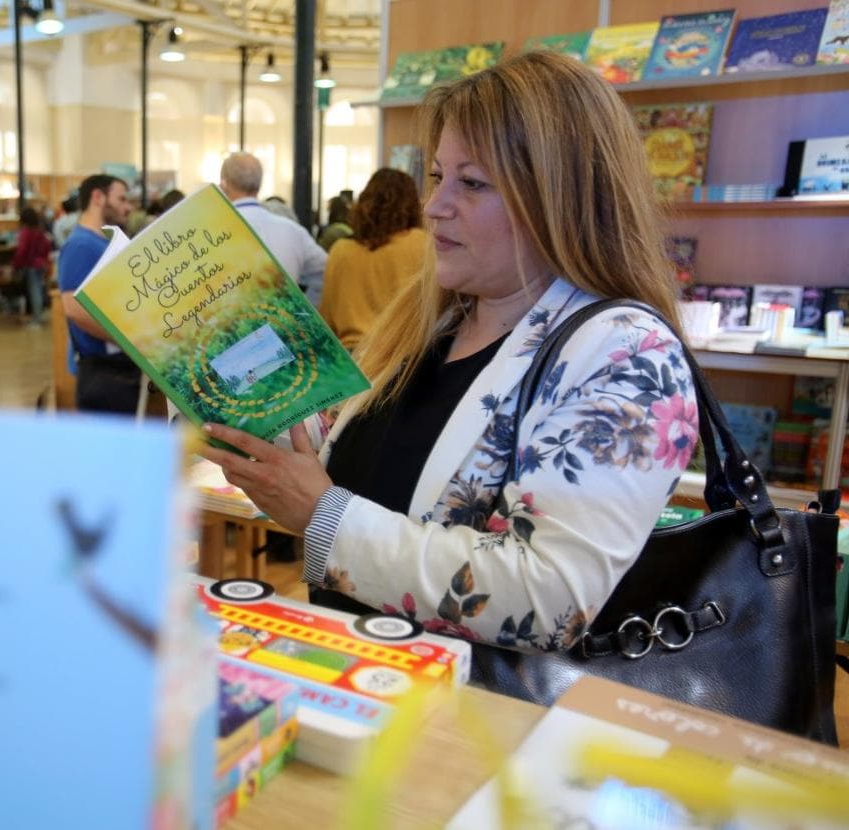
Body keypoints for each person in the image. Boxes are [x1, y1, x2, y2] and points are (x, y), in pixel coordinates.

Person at [197, 52, 699, 669]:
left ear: (559, 198)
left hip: (478, 731)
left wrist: (325, 518)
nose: (434, 205)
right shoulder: (434, 320)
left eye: (472, 183)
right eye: (437, 176)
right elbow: (329, 453)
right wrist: (204, 380)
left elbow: (548, 596)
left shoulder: (627, 355)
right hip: (355, 679)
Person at [59, 174, 142, 414]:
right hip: (104, 371)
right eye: (122, 199)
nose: (127, 207)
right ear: (97, 197)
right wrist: (131, 343)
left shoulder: (101, 242)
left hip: (117, 368)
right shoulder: (81, 245)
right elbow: (74, 309)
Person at [319, 169, 427, 351]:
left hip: (352, 361)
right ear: (412, 205)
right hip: (401, 357)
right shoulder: (421, 244)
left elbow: (326, 319)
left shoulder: (340, 249)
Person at [219, 153, 326, 307]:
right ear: (259, 184)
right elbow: (329, 274)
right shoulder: (293, 231)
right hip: (283, 326)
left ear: (224, 184)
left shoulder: (209, 234)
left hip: (226, 328)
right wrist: (303, 313)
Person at [10, 206, 51, 326]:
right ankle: (40, 316)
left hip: (31, 264)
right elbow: (47, 246)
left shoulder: (25, 232)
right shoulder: (40, 231)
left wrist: (16, 264)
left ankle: (36, 319)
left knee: (34, 291)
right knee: (39, 290)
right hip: (41, 264)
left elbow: (22, 250)